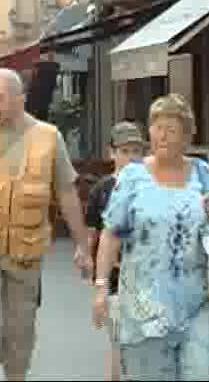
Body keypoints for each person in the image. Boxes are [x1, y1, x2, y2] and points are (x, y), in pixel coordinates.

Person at [0, 68, 93, 382]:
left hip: (27, 249)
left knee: (20, 333)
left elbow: (66, 192)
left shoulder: (49, 137)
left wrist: (82, 245)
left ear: (20, 98)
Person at [92, 94, 209, 381]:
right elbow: (110, 234)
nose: (163, 135)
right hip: (144, 306)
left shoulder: (203, 173)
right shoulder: (132, 177)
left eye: (171, 128)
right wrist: (101, 287)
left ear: (187, 135)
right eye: (157, 127)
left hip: (197, 300)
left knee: (201, 373)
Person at [82, 121, 146, 381]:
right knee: (118, 338)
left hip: (146, 272)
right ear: (112, 152)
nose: (131, 158)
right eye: (124, 151)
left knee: (143, 339)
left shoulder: (151, 185)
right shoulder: (103, 189)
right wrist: (87, 257)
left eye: (135, 152)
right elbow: (94, 233)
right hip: (115, 275)